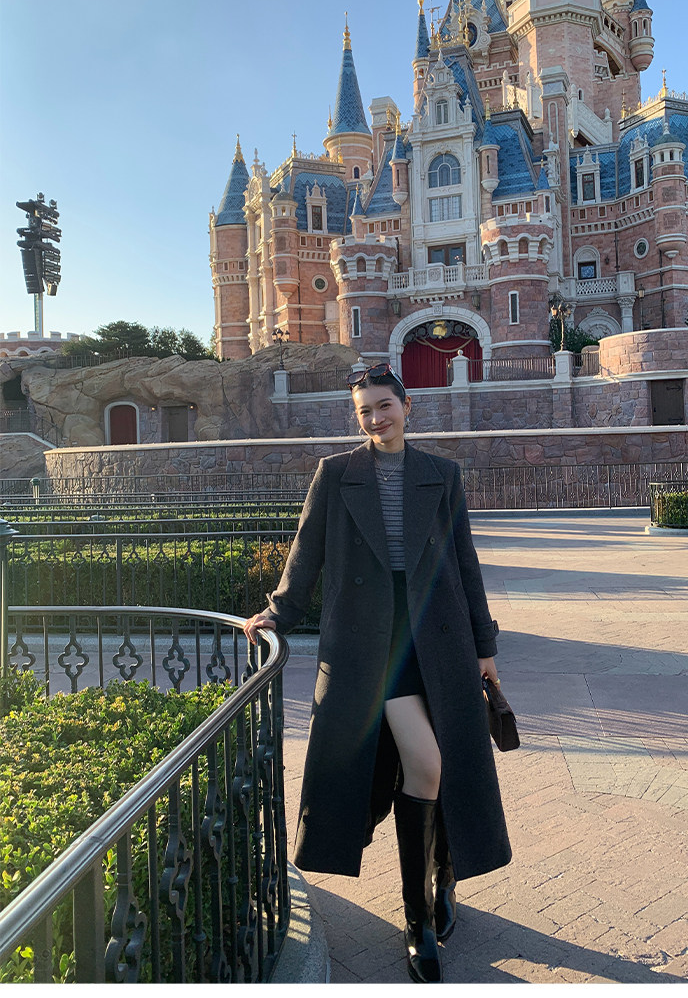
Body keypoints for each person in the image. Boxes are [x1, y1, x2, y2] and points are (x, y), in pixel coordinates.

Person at [243, 363, 511, 984]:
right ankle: (420, 919)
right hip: (370, 645)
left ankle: (443, 881)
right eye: (364, 410)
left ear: (407, 406)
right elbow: (306, 551)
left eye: (384, 405)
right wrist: (279, 611)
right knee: (428, 765)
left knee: (442, 767)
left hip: (438, 639)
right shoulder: (336, 473)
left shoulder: (441, 473)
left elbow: (464, 561)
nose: (375, 418)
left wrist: (484, 645)